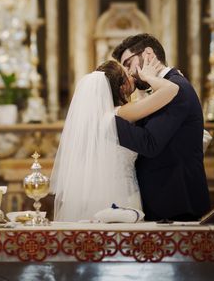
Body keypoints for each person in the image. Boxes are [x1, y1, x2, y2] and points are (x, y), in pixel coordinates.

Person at [50, 55, 179, 222]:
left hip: (94, 194)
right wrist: (149, 77)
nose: (132, 75)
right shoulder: (120, 114)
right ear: (122, 86)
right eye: (127, 74)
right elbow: (171, 90)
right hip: (122, 195)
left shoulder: (96, 119)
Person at [113, 33, 210, 221]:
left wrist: (109, 121)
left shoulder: (177, 87)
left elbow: (150, 143)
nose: (128, 73)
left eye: (128, 64)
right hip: (164, 201)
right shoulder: (165, 87)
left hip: (177, 202)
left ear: (148, 54)